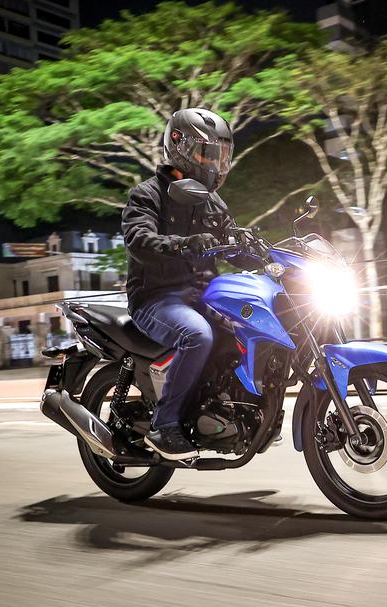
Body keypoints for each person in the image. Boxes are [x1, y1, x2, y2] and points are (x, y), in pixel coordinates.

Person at [121, 108, 235, 460]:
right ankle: (164, 425)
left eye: (220, 155)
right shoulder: (148, 194)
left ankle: (222, 411)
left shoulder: (213, 203)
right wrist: (183, 244)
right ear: (179, 147)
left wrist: (261, 249)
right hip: (156, 298)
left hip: (201, 296)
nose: (214, 163)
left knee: (247, 327)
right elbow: (138, 240)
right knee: (197, 335)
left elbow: (231, 240)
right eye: (207, 154)